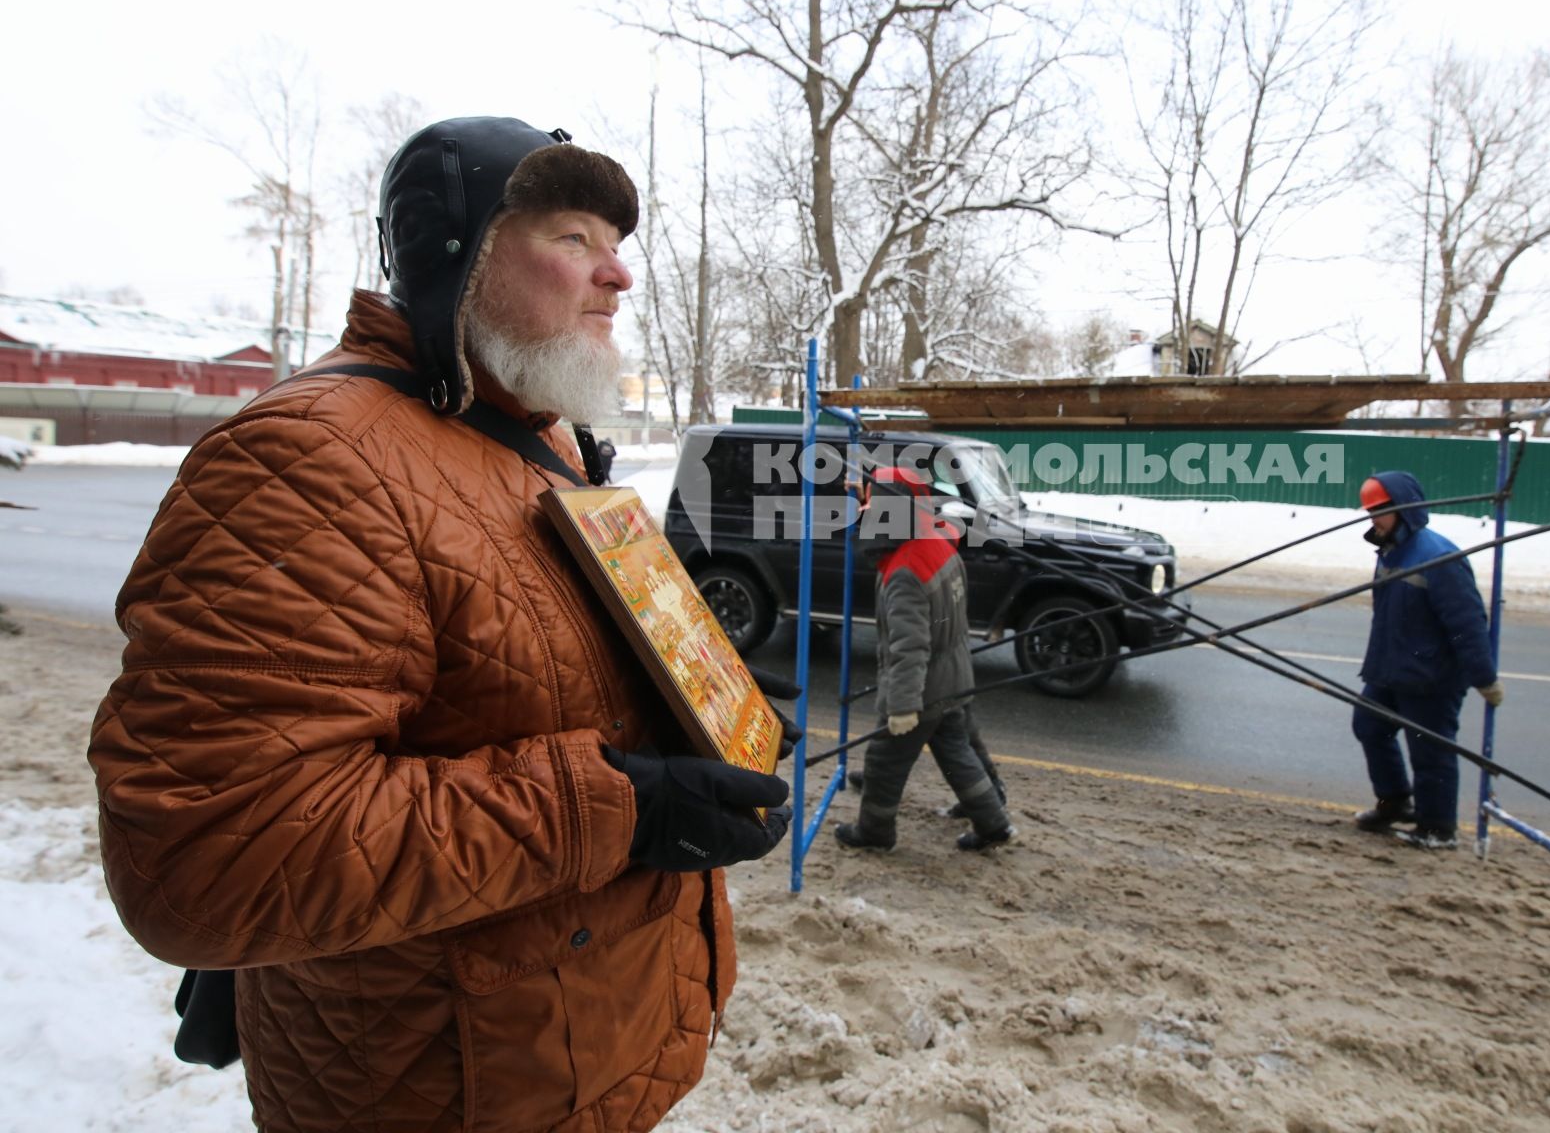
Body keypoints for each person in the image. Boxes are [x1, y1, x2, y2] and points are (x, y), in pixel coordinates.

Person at [88, 116, 791, 1133]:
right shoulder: (311, 462)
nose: (619, 277)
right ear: (455, 261)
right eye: (573, 240)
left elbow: (537, 670)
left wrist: (712, 723)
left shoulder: (529, 431)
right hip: (429, 1088)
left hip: (574, 1055)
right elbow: (207, 853)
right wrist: (622, 806)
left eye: (618, 246)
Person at [834, 466, 1014, 852]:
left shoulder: (904, 572)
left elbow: (909, 646)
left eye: (873, 503)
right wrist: (861, 488)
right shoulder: (935, 540)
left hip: (923, 687)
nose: (866, 510)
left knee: (884, 760)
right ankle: (992, 819)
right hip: (954, 673)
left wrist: (902, 706)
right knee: (957, 750)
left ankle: (874, 833)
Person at [1349, 471, 1503, 850]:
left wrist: (1484, 677)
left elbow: (1466, 624)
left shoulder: (1438, 558)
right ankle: (1395, 802)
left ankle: (1438, 828)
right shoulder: (1392, 550)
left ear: (1404, 511)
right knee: (1369, 727)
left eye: (1380, 513)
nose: (1373, 522)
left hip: (1429, 677)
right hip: (1389, 670)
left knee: (1430, 752)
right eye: (1370, 514)